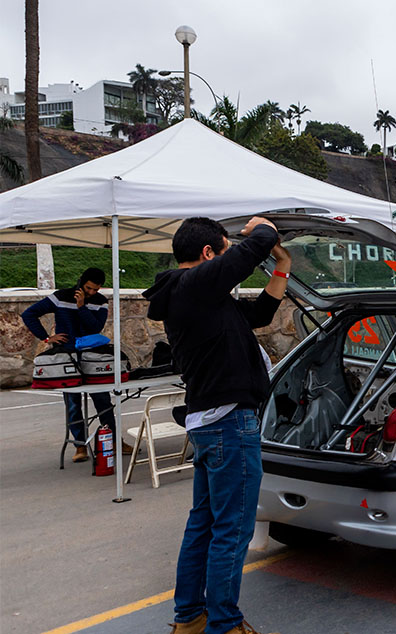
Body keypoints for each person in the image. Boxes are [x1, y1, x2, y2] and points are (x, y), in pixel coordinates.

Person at [144, 216, 290, 634]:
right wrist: (261, 229)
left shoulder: (198, 298)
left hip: (210, 424)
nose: (228, 260)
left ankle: (189, 618)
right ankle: (225, 624)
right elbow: (257, 241)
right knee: (232, 529)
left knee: (204, 524)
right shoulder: (195, 286)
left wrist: (284, 266)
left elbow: (260, 313)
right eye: (224, 251)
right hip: (228, 422)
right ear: (209, 254)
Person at [21, 267, 118, 463]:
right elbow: (28, 314)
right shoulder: (60, 297)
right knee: (73, 403)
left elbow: (95, 327)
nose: (92, 292)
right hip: (67, 356)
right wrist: (47, 338)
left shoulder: (100, 302)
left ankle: (113, 441)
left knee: (103, 400)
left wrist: (82, 306)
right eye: (89, 288)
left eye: (95, 290)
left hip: (92, 357)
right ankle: (80, 445)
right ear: (81, 282)